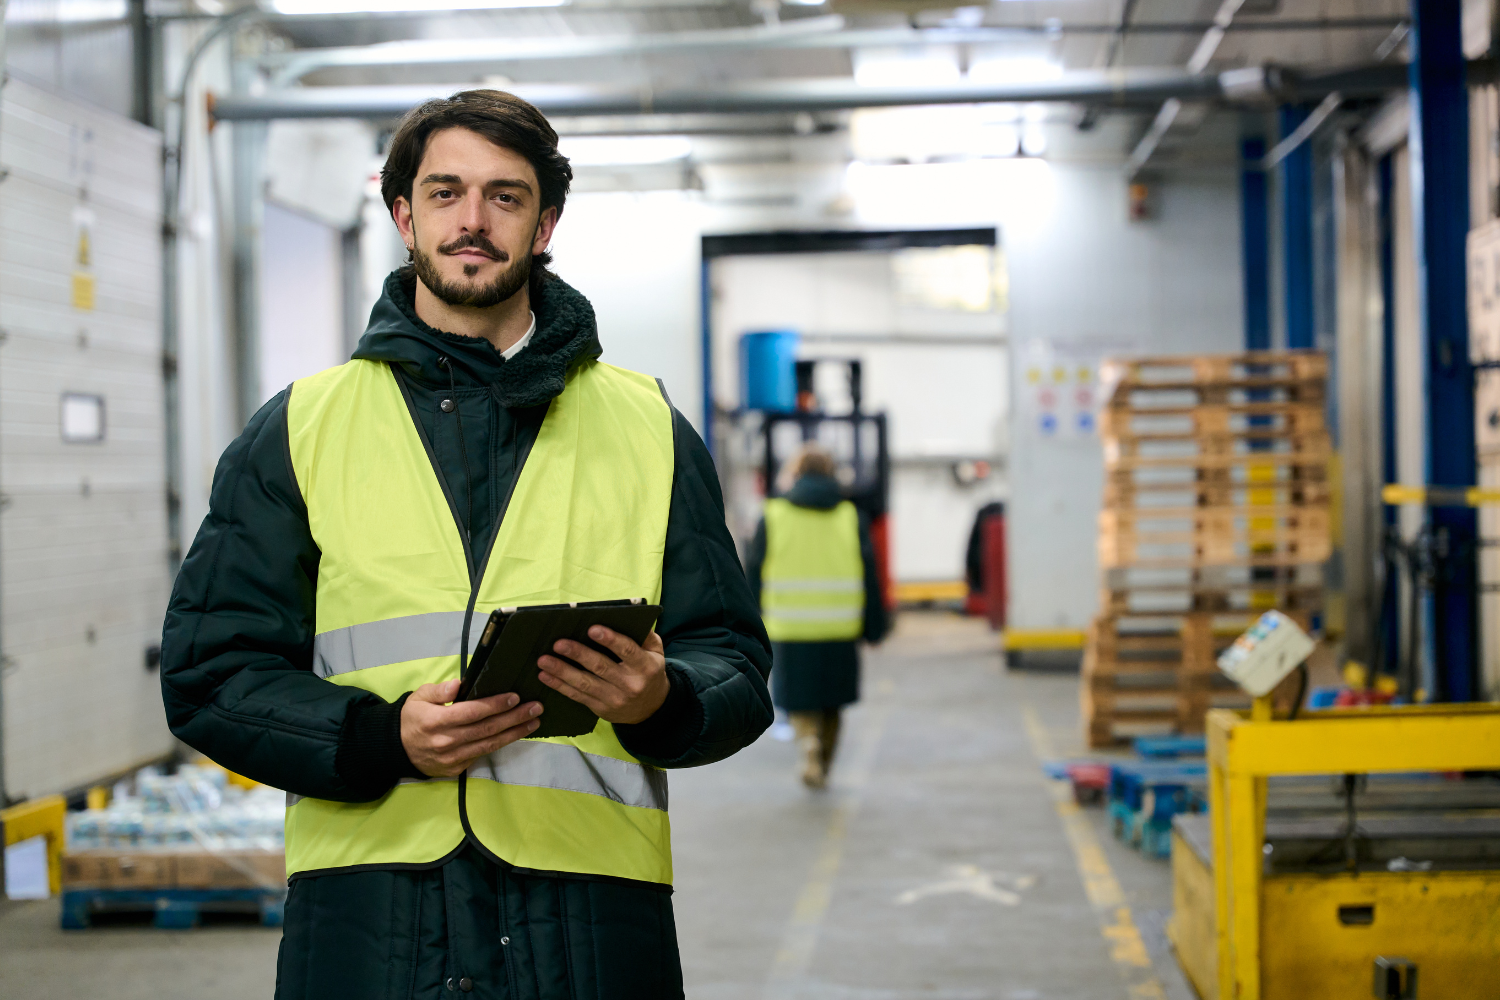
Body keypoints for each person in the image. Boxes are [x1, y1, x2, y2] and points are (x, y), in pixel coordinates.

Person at [159, 89, 772, 999]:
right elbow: (211, 672)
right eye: (445, 194)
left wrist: (663, 701)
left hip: (591, 925)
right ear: (404, 215)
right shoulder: (298, 430)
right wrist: (382, 736)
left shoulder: (649, 428)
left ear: (546, 220)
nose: (473, 221)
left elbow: (732, 663)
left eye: (506, 196)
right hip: (371, 924)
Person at [745, 444, 888, 789]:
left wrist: (748, 623)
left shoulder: (774, 515)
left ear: (795, 473)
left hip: (790, 627)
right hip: (840, 627)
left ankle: (807, 742)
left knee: (799, 698)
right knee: (833, 702)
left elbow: (753, 572)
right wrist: (875, 627)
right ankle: (824, 759)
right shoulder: (851, 517)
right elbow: (869, 574)